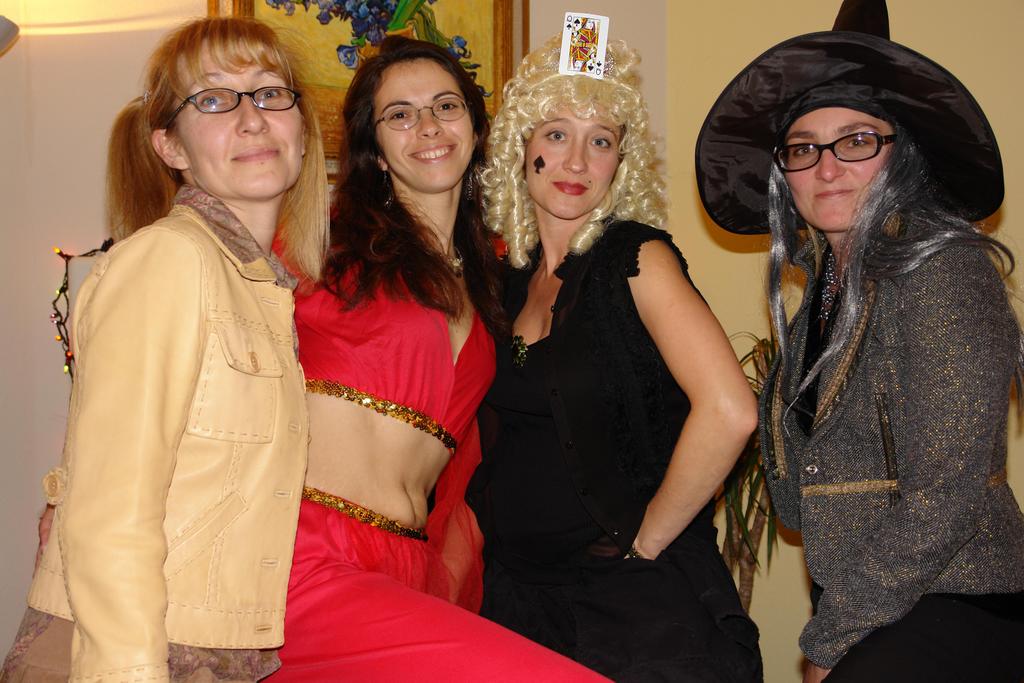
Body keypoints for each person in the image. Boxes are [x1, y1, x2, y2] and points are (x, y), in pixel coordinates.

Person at [695, 1, 1024, 681]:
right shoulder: (823, 285)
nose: (827, 168)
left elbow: (946, 495)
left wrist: (830, 640)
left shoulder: (943, 268)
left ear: (901, 154)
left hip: (955, 597)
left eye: (856, 141)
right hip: (870, 600)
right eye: (803, 148)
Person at [269, 36, 607, 681]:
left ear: (477, 130)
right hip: (309, 556)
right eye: (400, 114)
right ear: (374, 147)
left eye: (446, 106)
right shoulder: (320, 246)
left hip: (408, 567)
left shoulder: (492, 277)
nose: (427, 126)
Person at [2, 17, 329, 682]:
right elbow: (108, 513)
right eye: (213, 99)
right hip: (130, 649)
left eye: (270, 92)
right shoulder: (168, 261)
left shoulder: (262, 290)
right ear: (170, 146)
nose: (251, 118)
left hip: (213, 650)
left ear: (301, 129)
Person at [468, 33, 763, 681]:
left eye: (600, 140)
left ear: (620, 162)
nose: (576, 159)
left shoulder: (637, 257)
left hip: (630, 612)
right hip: (518, 604)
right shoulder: (506, 280)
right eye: (556, 134)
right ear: (521, 145)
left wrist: (648, 539)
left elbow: (731, 410)